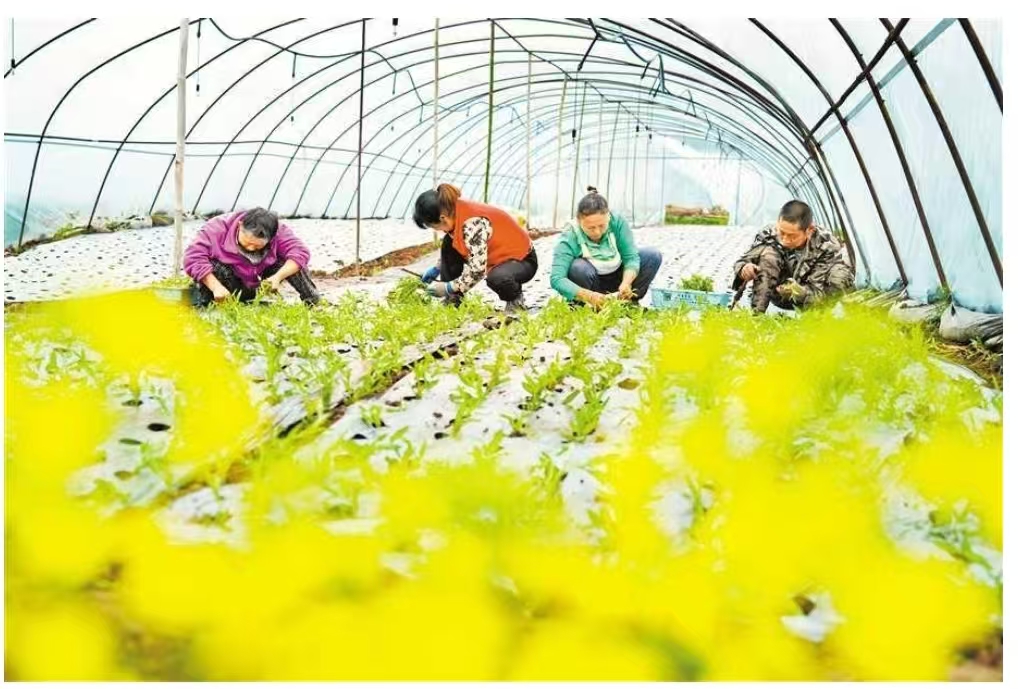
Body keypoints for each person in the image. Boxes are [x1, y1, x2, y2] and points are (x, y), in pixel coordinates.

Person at [412, 184, 537, 314]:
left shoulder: (472, 224)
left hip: (523, 260)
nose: (437, 230)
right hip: (498, 257)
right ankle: (453, 300)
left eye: (434, 227)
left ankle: (515, 302)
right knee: (448, 242)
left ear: (443, 218)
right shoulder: (453, 211)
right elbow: (454, 247)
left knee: (498, 278)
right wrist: (438, 268)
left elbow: (477, 270)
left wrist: (449, 287)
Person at [732, 200, 855, 313]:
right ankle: (756, 315)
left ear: (809, 231)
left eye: (792, 236)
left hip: (810, 298)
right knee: (768, 254)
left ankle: (819, 322)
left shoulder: (826, 245)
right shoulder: (769, 233)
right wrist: (744, 268)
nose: (784, 240)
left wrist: (798, 292)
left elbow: (819, 293)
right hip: (777, 292)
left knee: (839, 275)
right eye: (782, 232)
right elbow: (743, 260)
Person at [549, 187, 662, 310]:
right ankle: (585, 306)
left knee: (652, 255)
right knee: (577, 267)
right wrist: (589, 296)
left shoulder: (617, 222)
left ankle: (628, 301)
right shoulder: (570, 235)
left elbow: (631, 258)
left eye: (602, 226)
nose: (597, 232)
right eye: (590, 228)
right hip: (591, 285)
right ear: (579, 221)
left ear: (608, 216)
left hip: (618, 279)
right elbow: (557, 279)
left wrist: (626, 283)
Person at [183, 207, 320, 307]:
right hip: (226, 285)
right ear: (240, 225)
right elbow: (193, 257)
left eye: (257, 246)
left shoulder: (279, 231)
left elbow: (300, 252)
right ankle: (210, 303)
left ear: (272, 238)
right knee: (215, 267)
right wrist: (215, 287)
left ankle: (312, 301)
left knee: (292, 262)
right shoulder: (217, 228)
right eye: (247, 243)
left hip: (259, 283)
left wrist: (277, 277)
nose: (250, 249)